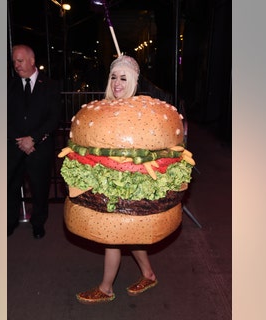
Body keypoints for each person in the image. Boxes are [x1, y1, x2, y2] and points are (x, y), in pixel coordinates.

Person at [76, 55, 158, 304]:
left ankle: (106, 287)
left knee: (114, 236)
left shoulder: (142, 112)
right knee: (130, 234)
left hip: (133, 182)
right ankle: (149, 274)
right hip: (108, 180)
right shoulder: (100, 110)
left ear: (133, 81)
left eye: (123, 78)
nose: (117, 83)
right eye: (113, 77)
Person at [8, 44, 61, 239]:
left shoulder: (50, 86)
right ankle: (10, 221)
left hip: (39, 149)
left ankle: (38, 223)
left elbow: (53, 118)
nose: (16, 65)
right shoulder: (9, 86)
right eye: (14, 61)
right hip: (14, 147)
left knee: (40, 189)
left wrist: (33, 139)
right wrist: (20, 140)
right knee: (11, 187)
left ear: (31, 61)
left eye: (20, 61)